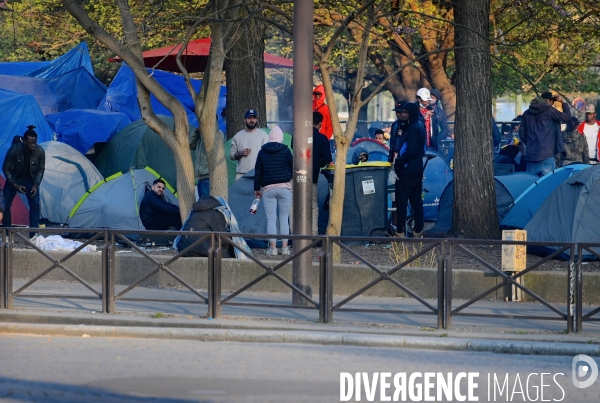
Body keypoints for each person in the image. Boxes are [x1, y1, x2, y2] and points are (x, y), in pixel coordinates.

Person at [254, 126, 293, 256]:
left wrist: (256, 188)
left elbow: (258, 172)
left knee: (271, 219)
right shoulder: (286, 151)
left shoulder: (262, 152)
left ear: (269, 138)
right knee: (283, 219)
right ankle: (285, 248)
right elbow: (293, 167)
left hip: (268, 189)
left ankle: (273, 248)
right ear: (281, 138)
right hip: (285, 188)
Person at [389, 103, 426, 238]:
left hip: (407, 170)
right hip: (416, 169)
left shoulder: (413, 128)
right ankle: (418, 230)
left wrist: (399, 161)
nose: (403, 114)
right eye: (402, 112)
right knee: (416, 201)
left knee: (402, 201)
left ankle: (400, 231)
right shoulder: (419, 126)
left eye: (406, 112)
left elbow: (411, 150)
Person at [2, 125, 45, 230]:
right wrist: (15, 185)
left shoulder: (40, 151)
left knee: (35, 206)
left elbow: (41, 169)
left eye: (34, 142)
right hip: (14, 178)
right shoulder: (14, 149)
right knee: (5, 206)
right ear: (24, 141)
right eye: (30, 143)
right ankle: (7, 234)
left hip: (29, 180)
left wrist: (35, 184)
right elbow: (5, 168)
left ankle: (33, 235)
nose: (33, 145)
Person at [520, 92, 571, 176]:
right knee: (548, 186)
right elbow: (567, 117)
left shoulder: (526, 113)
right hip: (547, 155)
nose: (552, 104)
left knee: (531, 186)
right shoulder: (549, 110)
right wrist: (563, 102)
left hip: (531, 156)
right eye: (552, 101)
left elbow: (522, 133)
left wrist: (530, 143)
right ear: (547, 100)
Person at [229, 109, 269, 180]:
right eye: (249, 118)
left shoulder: (263, 135)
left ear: (257, 120)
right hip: (241, 174)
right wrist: (240, 153)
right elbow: (231, 156)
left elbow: (267, 155)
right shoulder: (238, 136)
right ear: (245, 120)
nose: (252, 120)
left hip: (258, 174)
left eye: (254, 118)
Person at [311, 111, 333, 235]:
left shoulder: (298, 135)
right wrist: (318, 164)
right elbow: (327, 159)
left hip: (296, 176)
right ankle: (313, 234)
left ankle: (296, 234)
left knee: (296, 206)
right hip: (312, 177)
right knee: (313, 205)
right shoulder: (322, 139)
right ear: (319, 124)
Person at [189, 126, 210, 199]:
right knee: (202, 202)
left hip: (208, 176)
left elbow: (210, 147)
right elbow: (191, 145)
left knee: (206, 203)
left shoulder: (218, 134)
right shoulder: (200, 137)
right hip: (200, 177)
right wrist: (196, 132)